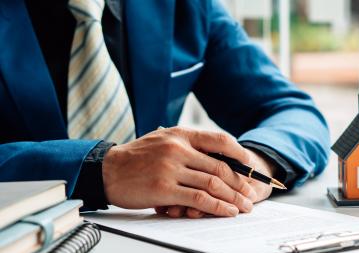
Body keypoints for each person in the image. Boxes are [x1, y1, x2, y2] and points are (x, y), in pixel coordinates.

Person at [0, 0, 330, 218]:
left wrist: (253, 162)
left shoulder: (187, 7)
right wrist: (101, 170)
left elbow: (291, 111)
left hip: (162, 252)